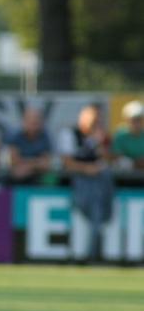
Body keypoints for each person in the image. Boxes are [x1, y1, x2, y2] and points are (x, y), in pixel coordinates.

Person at [59, 104, 112, 262]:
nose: (94, 123)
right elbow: (67, 162)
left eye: (97, 120)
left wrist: (100, 143)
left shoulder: (97, 137)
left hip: (96, 185)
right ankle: (78, 255)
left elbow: (106, 160)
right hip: (76, 183)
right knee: (81, 217)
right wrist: (87, 169)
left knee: (98, 216)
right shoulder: (70, 134)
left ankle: (92, 254)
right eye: (92, 119)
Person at [7, 108, 52, 185]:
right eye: (30, 121)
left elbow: (46, 164)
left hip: (36, 173)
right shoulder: (15, 136)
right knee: (16, 174)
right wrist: (36, 162)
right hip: (23, 173)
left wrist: (28, 166)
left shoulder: (45, 137)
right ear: (24, 121)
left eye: (36, 121)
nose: (34, 124)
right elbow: (14, 161)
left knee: (51, 179)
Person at [112, 100, 144, 172]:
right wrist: (136, 163)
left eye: (139, 119)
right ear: (127, 120)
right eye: (133, 120)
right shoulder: (120, 135)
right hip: (123, 178)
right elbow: (117, 157)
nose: (137, 123)